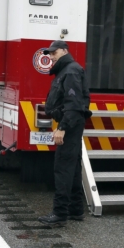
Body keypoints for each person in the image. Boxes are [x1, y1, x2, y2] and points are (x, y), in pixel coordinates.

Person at [38, 40, 91, 228]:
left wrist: (62, 128)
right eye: (49, 53)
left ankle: (60, 213)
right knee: (73, 167)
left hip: (70, 125)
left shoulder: (71, 71)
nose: (51, 56)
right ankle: (75, 209)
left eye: (54, 52)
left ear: (64, 51)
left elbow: (74, 105)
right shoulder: (66, 70)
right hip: (71, 124)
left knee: (63, 168)